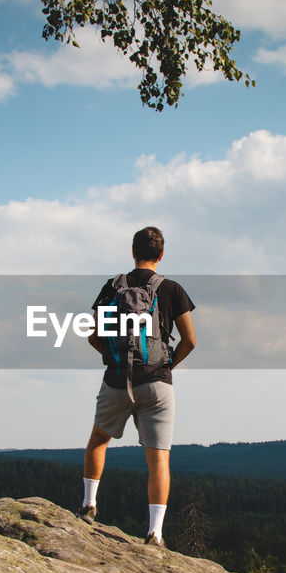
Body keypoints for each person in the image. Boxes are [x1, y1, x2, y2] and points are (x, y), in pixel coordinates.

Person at [79, 226, 196, 548]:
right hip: (157, 382)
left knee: (98, 440)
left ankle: (89, 504)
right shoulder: (171, 289)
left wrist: (115, 359)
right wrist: (167, 365)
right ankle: (155, 532)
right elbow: (190, 340)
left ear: (133, 252)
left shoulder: (112, 287)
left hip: (116, 379)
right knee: (158, 458)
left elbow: (92, 335)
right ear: (161, 254)